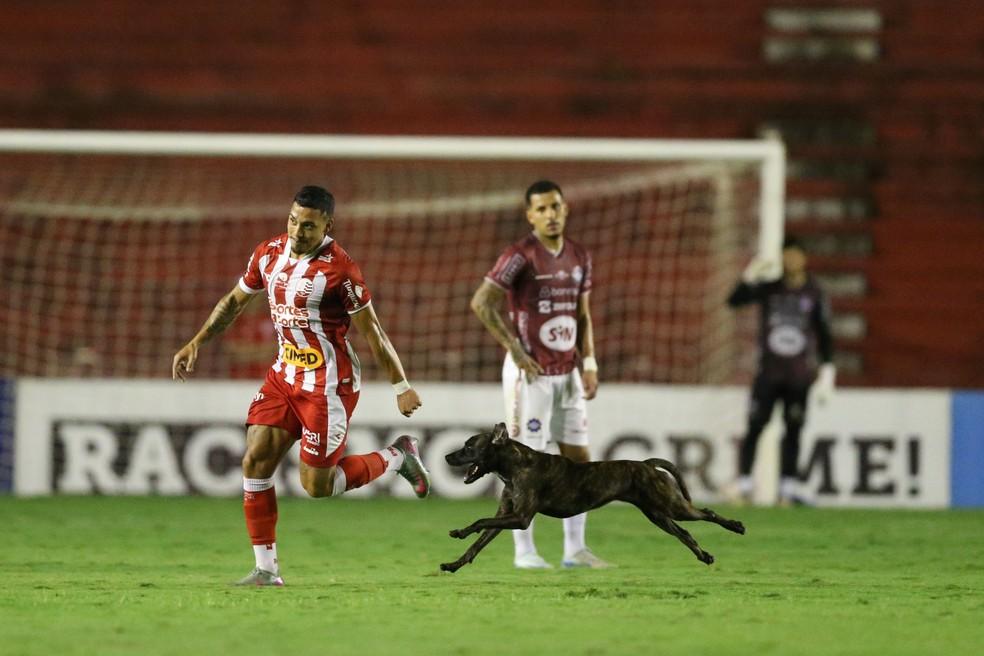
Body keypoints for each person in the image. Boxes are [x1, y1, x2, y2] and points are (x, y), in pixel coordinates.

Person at [172, 185, 430, 586]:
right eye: (293, 220)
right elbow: (233, 302)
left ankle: (397, 456)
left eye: (308, 225)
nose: (297, 231)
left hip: (328, 386)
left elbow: (373, 333)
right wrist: (196, 342)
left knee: (317, 486)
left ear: (328, 225)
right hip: (283, 376)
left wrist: (401, 386)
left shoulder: (340, 271)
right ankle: (265, 570)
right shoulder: (268, 253)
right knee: (255, 460)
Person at [470, 179, 610, 569]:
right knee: (523, 464)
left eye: (556, 207)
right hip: (529, 374)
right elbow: (482, 303)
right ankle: (524, 552)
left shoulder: (580, 255)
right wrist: (514, 348)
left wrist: (590, 363)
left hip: (568, 372)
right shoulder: (520, 255)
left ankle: (574, 549)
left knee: (579, 461)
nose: (550, 214)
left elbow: (582, 315)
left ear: (565, 209)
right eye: (542, 209)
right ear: (530, 215)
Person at [727, 236, 835, 506]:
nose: (791, 260)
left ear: (804, 259)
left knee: (794, 430)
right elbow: (734, 301)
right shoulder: (770, 288)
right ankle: (744, 485)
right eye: (787, 255)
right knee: (755, 427)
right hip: (769, 373)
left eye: (796, 255)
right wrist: (749, 276)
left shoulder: (814, 292)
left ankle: (787, 489)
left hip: (799, 376)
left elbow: (825, 334)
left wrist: (828, 372)